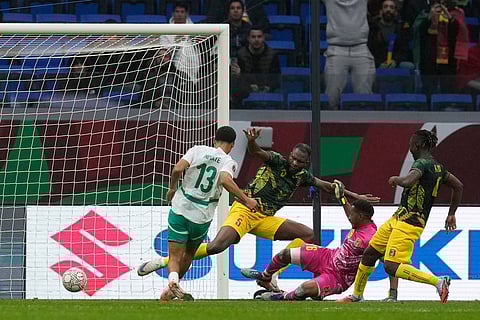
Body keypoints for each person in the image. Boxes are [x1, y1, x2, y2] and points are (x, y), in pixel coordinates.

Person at [138, 128, 380, 292]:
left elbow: (327, 185)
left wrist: (355, 195)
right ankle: (166, 261)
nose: (294, 163)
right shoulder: (277, 160)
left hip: (264, 218)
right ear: (289, 156)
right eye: (293, 158)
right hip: (245, 209)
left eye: (300, 162)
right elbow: (256, 152)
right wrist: (252, 141)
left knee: (308, 235)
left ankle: (270, 275)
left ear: (306, 164)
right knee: (216, 247)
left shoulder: (302, 176)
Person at [337, 129, 463, 303]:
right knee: (370, 254)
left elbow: (409, 181)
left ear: (417, 145)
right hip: (398, 218)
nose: (409, 147)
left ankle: (438, 282)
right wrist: (451, 214)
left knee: (391, 265)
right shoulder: (438, 167)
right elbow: (459, 186)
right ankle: (357, 296)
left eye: (411, 144)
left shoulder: (421, 164)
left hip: (410, 222)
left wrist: (397, 179)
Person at [140, 126, 258, 301]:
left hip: (180, 207)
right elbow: (225, 179)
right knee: (188, 254)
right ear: (232, 145)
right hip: (201, 216)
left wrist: (172, 188)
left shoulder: (196, 150)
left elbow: (177, 169)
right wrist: (246, 199)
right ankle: (172, 288)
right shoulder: (228, 161)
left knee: (174, 255)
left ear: (214, 140)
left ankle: (172, 281)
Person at [240, 180, 378, 301]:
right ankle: (266, 277)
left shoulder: (370, 238)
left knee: (304, 289)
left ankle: (282, 296)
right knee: (285, 254)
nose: (349, 217)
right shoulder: (359, 221)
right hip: (328, 256)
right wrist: (342, 198)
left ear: (361, 216)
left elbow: (384, 259)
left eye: (352, 215)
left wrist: (390, 292)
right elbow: (350, 212)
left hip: (338, 278)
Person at [322, 0, 376, 109]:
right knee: (331, 97)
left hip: (361, 48)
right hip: (336, 49)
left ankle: (363, 124)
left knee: (364, 97)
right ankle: (331, 124)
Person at [231, 26, 281, 106]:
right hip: (246, 91)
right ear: (248, 39)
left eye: (259, 37)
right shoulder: (240, 54)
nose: (256, 40)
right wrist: (249, 86)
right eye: (253, 37)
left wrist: (269, 87)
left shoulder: (272, 55)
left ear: (263, 38)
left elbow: (277, 78)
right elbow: (239, 78)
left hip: (267, 91)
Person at [368, 0, 414, 70]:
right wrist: (379, 63)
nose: (388, 9)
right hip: (377, 62)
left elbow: (404, 50)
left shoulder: (400, 28)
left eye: (391, 7)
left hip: (395, 62)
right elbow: (370, 49)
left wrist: (395, 61)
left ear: (395, 12)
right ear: (381, 11)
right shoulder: (373, 28)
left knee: (410, 66)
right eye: (385, 7)